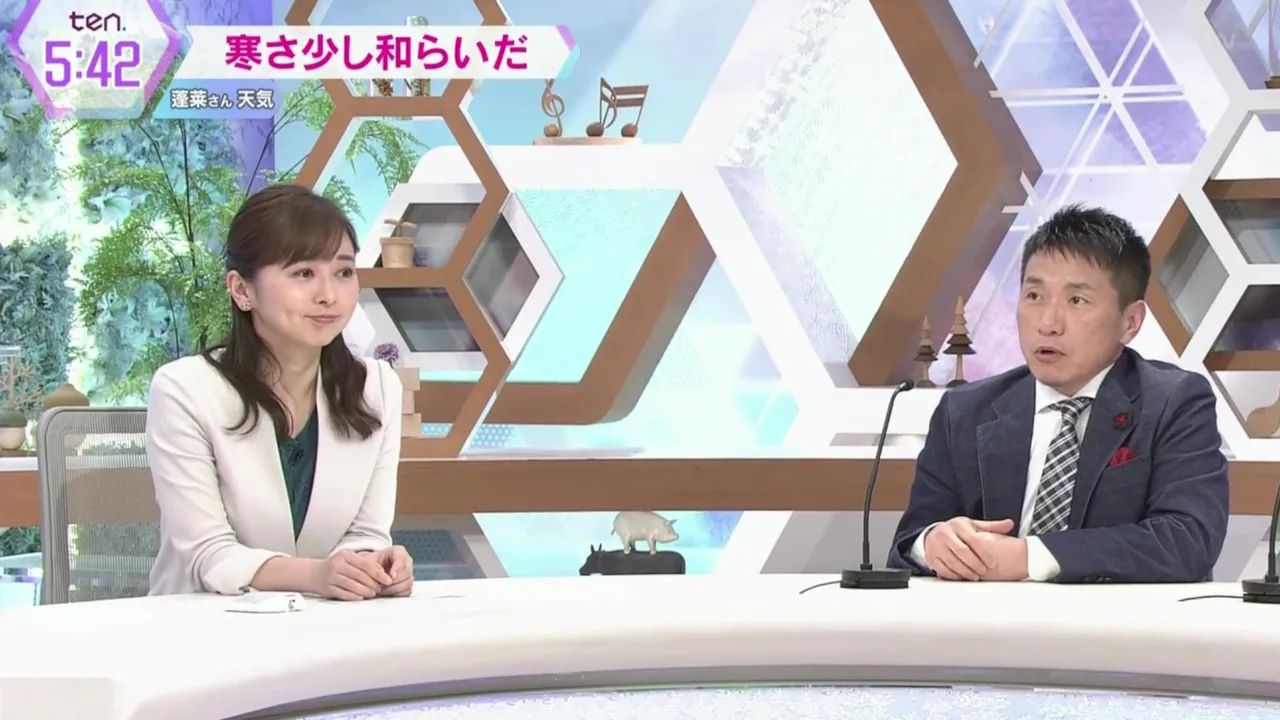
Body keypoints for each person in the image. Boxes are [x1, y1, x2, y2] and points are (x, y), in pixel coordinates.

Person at [887, 204, 1228, 584]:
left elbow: (1188, 540)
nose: (1048, 324)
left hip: (1118, 620)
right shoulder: (965, 411)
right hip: (985, 619)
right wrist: (932, 543)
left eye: (1076, 300)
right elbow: (908, 543)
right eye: (1034, 296)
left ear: (1130, 322)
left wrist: (1028, 557)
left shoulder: (1174, 403)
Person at [146, 185, 414, 600]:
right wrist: (317, 576)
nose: (329, 295)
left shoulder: (377, 388)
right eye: (303, 273)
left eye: (343, 272)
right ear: (242, 290)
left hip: (326, 625)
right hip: (205, 623)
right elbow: (208, 553)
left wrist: (371, 565)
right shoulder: (184, 390)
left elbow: (366, 532)